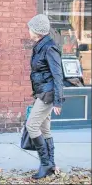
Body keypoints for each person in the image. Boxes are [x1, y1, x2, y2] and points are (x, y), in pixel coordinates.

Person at [26, 14, 64, 179]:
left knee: (32, 126)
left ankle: (45, 163)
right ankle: (51, 164)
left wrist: (58, 101)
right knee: (44, 129)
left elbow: (58, 76)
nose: (28, 31)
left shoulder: (49, 48)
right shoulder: (40, 45)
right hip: (42, 92)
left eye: (30, 28)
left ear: (37, 31)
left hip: (48, 95)